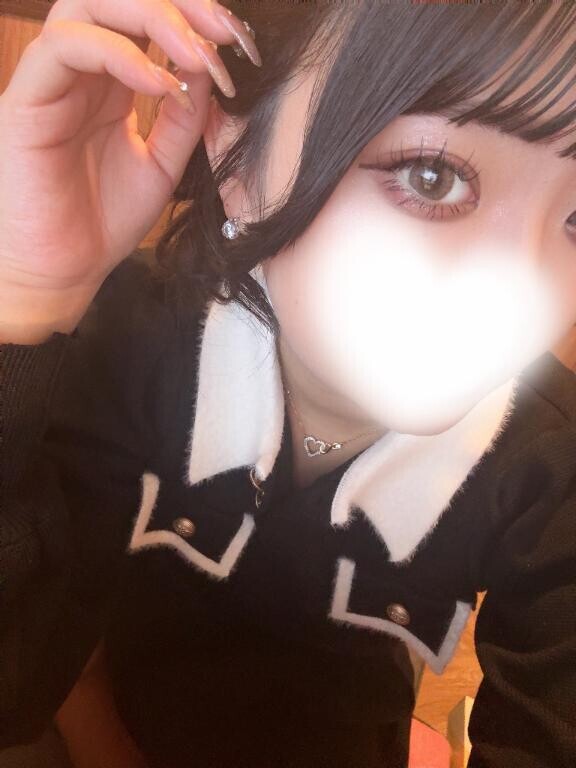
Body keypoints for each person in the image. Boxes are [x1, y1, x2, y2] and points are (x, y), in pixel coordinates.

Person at [1, 0, 576, 766]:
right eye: (432, 176)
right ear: (237, 149)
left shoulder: (549, 461)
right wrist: (23, 300)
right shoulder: (135, 337)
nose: (524, 299)